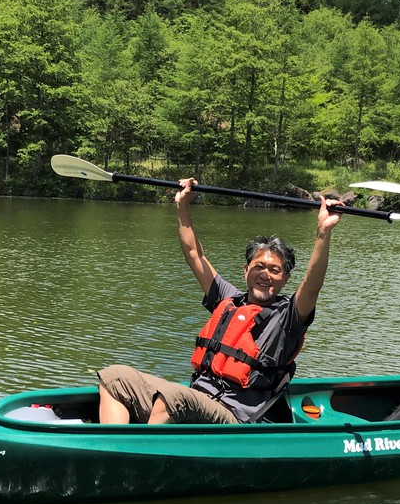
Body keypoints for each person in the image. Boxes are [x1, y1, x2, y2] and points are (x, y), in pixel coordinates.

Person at [96, 178, 343, 424]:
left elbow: (312, 286)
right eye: (259, 267)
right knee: (114, 377)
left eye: (274, 270)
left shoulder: (287, 317)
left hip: (232, 416)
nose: (265, 274)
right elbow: (194, 254)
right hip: (197, 397)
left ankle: (141, 453)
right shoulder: (228, 299)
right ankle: (113, 447)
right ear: (246, 270)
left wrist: (323, 233)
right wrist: (182, 206)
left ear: (285, 278)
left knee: (174, 396)